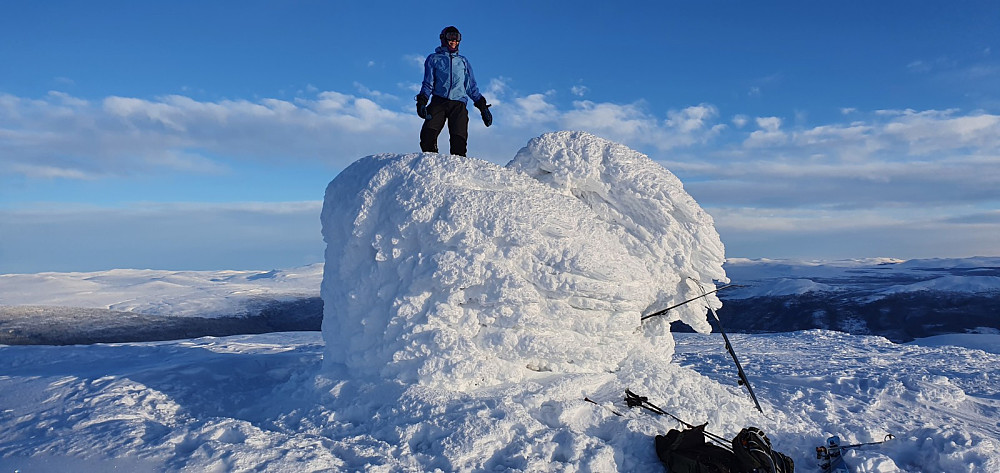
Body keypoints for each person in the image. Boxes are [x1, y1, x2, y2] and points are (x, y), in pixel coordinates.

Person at [415, 26, 492, 157]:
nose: (454, 41)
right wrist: (422, 101)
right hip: (439, 102)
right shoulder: (434, 59)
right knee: (427, 136)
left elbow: (471, 86)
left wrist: (482, 107)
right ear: (444, 39)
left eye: (457, 39)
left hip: (458, 105)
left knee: (459, 144)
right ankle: (433, 165)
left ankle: (456, 173)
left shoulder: (463, 62)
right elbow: (428, 83)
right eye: (451, 37)